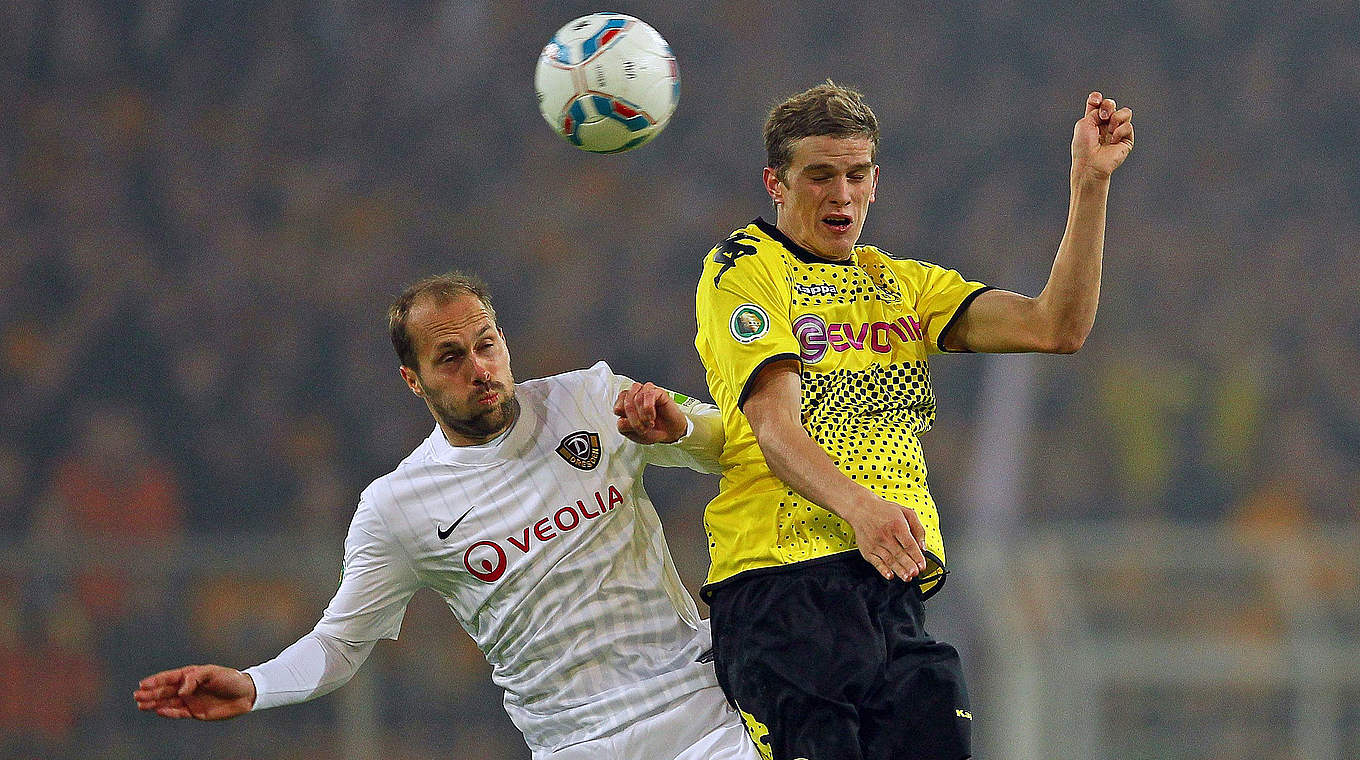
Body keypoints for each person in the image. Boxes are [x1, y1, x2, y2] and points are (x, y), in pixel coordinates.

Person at [135, 271, 760, 760]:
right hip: (574, 744)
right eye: (450, 358)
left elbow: (735, 442)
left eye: (485, 344)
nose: (478, 368)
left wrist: (681, 428)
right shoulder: (396, 507)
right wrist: (255, 686)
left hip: (702, 713)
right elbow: (340, 643)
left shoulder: (590, 397)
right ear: (414, 380)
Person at [692, 82, 1134, 760]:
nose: (841, 193)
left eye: (855, 174)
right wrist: (863, 510)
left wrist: (1089, 184)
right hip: (783, 590)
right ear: (775, 184)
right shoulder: (746, 272)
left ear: (875, 182)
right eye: (820, 175)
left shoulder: (900, 285)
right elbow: (773, 429)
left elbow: (1057, 326)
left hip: (891, 592)